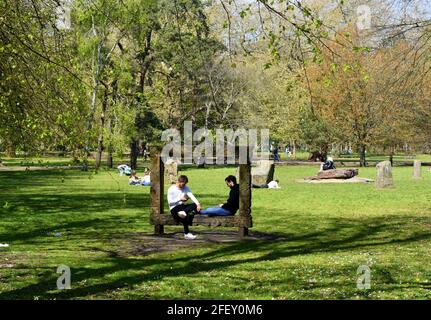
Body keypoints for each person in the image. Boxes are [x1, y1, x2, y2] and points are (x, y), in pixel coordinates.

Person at [168, 175, 201, 240]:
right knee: (184, 216)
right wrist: (180, 199)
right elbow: (170, 202)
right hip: (174, 208)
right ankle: (187, 233)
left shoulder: (186, 187)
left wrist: (198, 204)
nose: (184, 186)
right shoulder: (171, 189)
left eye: (185, 184)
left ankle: (186, 212)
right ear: (179, 182)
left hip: (182, 207)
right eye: (183, 184)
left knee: (194, 205)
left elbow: (191, 196)